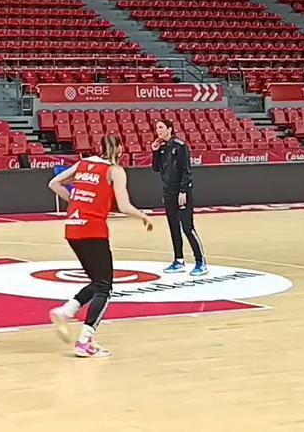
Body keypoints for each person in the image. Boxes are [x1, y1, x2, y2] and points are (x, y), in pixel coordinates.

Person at [47, 135, 153, 358]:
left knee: (97, 282)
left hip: (73, 228)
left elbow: (53, 183)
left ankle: (66, 311)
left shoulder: (83, 163)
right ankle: (85, 341)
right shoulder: (115, 170)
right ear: (121, 148)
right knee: (105, 287)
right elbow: (124, 206)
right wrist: (143, 216)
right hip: (92, 230)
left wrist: (75, 201)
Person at [152, 119, 207, 276]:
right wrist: (154, 151)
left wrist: (183, 191)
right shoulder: (162, 148)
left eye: (161, 128)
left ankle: (200, 261)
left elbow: (186, 170)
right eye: (157, 128)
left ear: (169, 129)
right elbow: (156, 168)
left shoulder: (180, 146)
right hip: (168, 193)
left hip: (181, 193)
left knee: (187, 227)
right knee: (173, 227)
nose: (158, 131)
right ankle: (179, 261)